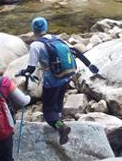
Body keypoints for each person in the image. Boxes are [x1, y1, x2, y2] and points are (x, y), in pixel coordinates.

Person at [19, 17, 99, 145]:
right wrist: (90, 66)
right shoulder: (57, 39)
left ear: (33, 30)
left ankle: (61, 126)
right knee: (57, 102)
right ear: (46, 27)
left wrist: (23, 73)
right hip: (65, 77)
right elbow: (76, 52)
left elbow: (31, 68)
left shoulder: (36, 45)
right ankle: (59, 116)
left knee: (48, 113)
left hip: (52, 81)